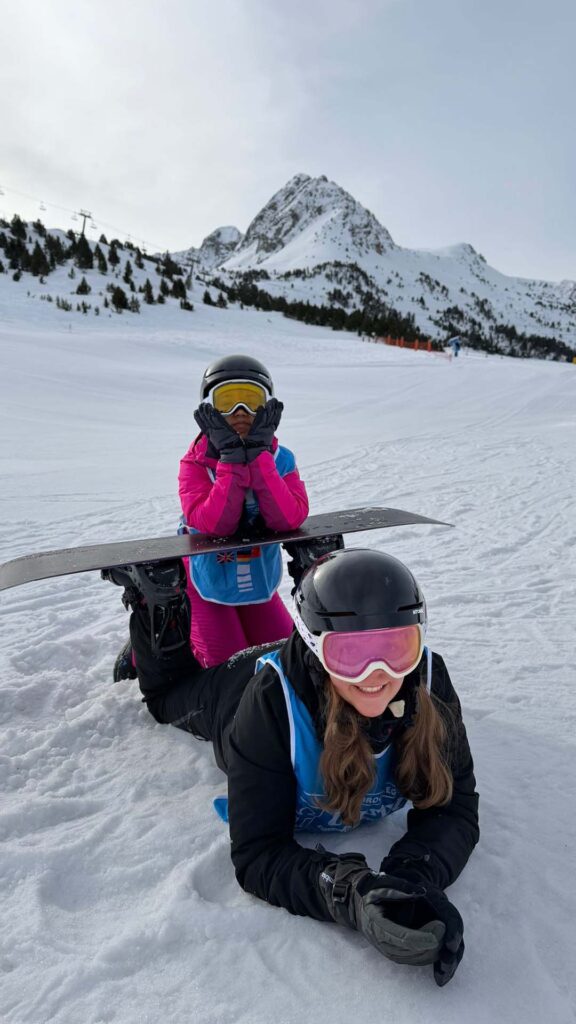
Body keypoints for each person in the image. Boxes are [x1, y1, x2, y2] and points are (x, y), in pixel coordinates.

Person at [107, 546, 479, 987]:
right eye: (350, 654)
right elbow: (257, 852)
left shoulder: (428, 682)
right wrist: (350, 895)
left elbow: (454, 808)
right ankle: (159, 602)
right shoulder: (269, 704)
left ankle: (317, 566)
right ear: (319, 649)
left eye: (396, 648)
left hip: (298, 657)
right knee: (167, 699)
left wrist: (412, 879)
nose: (376, 673)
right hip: (233, 691)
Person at [178, 354, 309, 666]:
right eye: (227, 402)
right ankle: (153, 643)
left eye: (251, 401)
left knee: (284, 656)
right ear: (209, 409)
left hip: (255, 576)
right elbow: (214, 525)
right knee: (229, 665)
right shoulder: (194, 464)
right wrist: (231, 462)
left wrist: (260, 457)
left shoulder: (282, 460)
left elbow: (288, 518)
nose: (240, 413)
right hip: (205, 578)